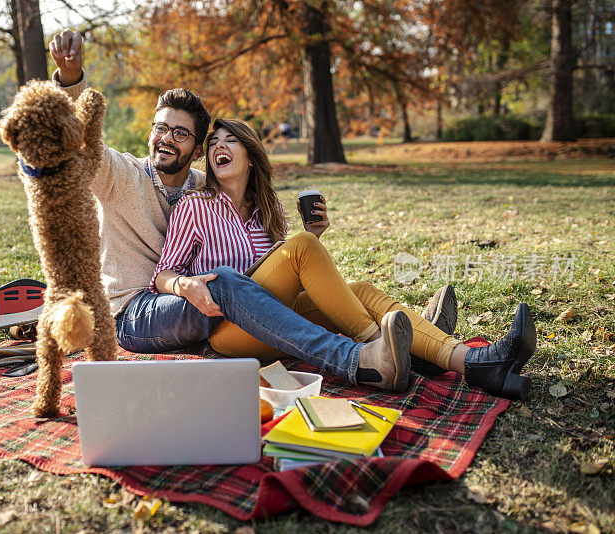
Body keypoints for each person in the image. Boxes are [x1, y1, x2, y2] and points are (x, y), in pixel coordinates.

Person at [47, 30, 414, 391]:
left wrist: (307, 241)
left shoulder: (202, 189)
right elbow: (82, 142)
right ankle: (356, 360)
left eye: (180, 133)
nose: (166, 138)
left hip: (195, 307)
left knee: (298, 295)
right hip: (133, 314)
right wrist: (70, 79)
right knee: (220, 280)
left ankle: (413, 345)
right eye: (160, 128)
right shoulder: (123, 176)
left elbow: (250, 254)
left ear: (195, 150)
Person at [150, 119, 537, 400]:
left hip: (272, 319)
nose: (220, 145)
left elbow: (278, 275)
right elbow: (162, 273)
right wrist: (184, 284)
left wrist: (311, 240)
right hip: (229, 332)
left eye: (231, 140)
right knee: (301, 246)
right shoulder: (194, 206)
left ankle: (475, 363)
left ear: (251, 157)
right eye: (214, 140)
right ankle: (377, 348)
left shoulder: (269, 214)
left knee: (362, 289)